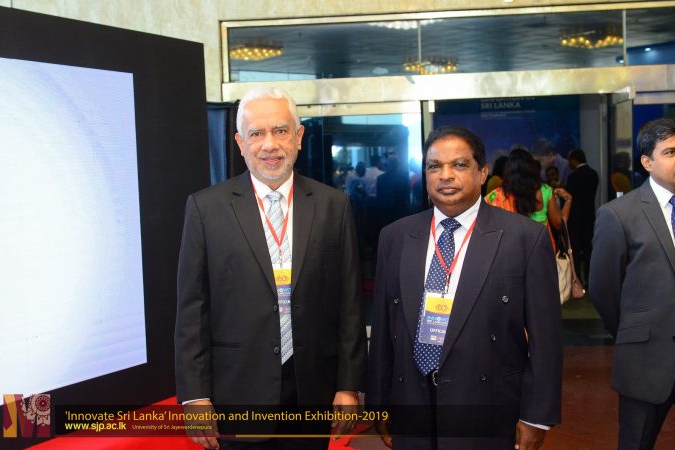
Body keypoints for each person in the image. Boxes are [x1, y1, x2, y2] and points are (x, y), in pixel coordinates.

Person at [175, 87, 367, 450]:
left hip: (313, 388)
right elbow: (192, 310)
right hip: (236, 389)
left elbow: (350, 303)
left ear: (299, 137)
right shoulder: (205, 209)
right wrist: (195, 395)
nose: (270, 145)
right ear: (240, 142)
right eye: (256, 133)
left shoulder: (333, 205)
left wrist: (348, 384)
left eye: (280, 131)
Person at [367, 126, 562, 450]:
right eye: (434, 166)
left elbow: (547, 338)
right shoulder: (395, 237)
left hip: (487, 407)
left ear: (483, 172)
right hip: (411, 403)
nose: (445, 175)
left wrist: (536, 416)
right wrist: (378, 402)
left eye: (459, 165)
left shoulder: (525, 238)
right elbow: (385, 330)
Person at [590, 117, 675, 450]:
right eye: (670, 152)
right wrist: (631, 331)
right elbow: (603, 289)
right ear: (647, 162)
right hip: (646, 359)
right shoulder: (618, 214)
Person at [485, 148, 572, 250]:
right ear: (532, 168)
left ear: (508, 171)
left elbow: (486, 223)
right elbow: (559, 224)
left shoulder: (498, 195)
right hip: (542, 250)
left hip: (513, 251)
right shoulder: (544, 191)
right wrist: (568, 200)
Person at [565, 149, 598, 287]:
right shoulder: (593, 174)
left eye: (569, 160)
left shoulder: (573, 177)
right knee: (589, 249)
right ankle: (590, 280)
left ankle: (577, 280)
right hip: (589, 216)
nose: (568, 163)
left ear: (574, 159)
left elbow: (568, 197)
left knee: (575, 250)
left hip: (574, 218)